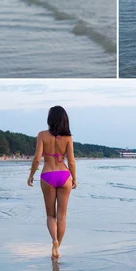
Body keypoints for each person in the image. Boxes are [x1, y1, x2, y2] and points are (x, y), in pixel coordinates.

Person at [28, 106, 77, 259]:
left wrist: (31, 175)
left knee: (51, 215)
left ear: (50, 119)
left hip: (48, 175)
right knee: (62, 216)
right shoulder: (68, 138)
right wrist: (74, 178)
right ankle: (57, 248)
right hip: (64, 175)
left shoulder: (42, 135)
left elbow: (37, 158)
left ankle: (54, 240)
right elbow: (72, 161)